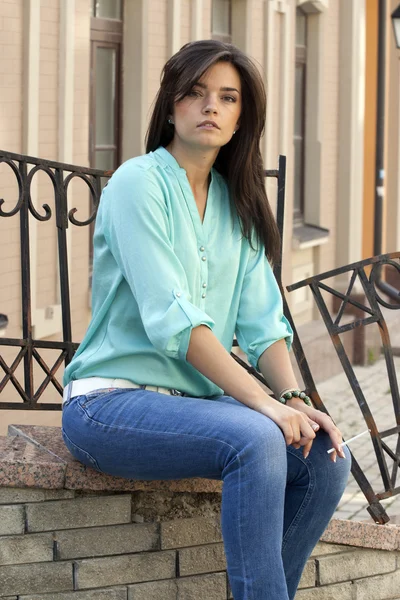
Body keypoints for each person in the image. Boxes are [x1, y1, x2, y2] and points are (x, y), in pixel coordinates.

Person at [62, 39, 350, 600]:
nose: (210, 107)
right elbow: (175, 320)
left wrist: (294, 400)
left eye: (227, 97)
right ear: (171, 106)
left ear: (243, 117)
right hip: (107, 403)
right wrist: (262, 404)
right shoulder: (137, 183)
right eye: (195, 93)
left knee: (324, 457)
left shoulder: (236, 205)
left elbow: (265, 324)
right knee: (257, 438)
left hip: (191, 406)